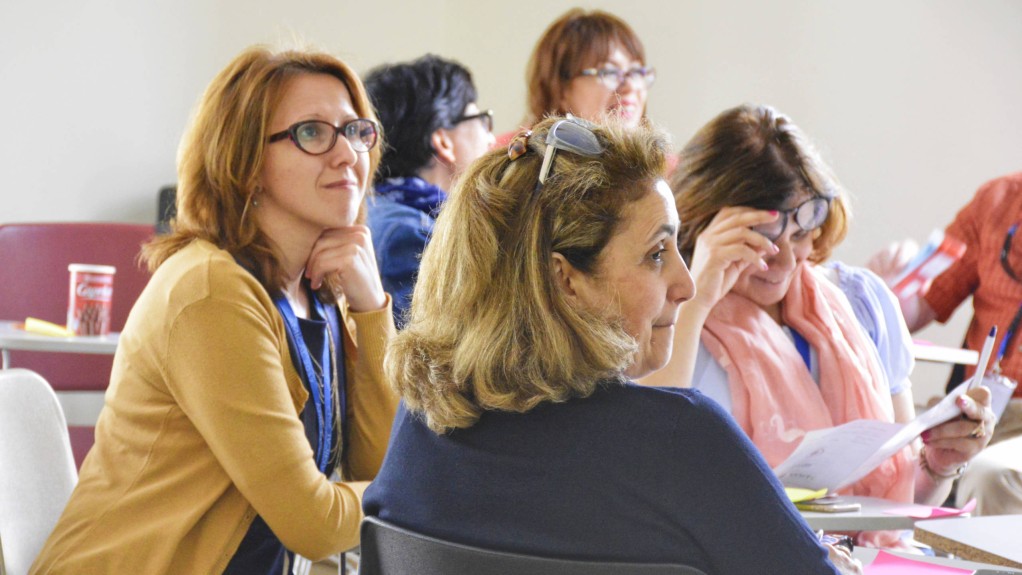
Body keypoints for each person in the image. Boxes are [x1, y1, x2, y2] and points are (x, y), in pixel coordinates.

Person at [363, 116, 860, 574]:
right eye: (656, 254)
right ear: (565, 279)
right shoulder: (682, 439)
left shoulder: (424, 424)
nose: (685, 285)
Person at [32, 46, 398, 573]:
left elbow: (375, 469)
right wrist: (427, 494)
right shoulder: (211, 292)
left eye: (356, 131)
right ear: (245, 162)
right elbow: (315, 523)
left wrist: (370, 307)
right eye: (313, 133)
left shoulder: (317, 289)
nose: (348, 155)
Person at [640, 104, 994, 549]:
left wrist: (939, 465)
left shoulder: (861, 302)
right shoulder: (665, 308)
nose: (786, 261)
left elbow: (895, 505)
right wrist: (700, 291)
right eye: (764, 240)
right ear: (706, 224)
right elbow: (648, 449)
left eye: (802, 235)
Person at [869, 172, 1022, 516]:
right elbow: (924, 302)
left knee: (991, 478)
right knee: (876, 451)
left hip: (1004, 445)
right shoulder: (999, 197)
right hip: (982, 410)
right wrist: (884, 293)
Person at [364, 54, 495, 327]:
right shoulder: (410, 236)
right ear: (443, 142)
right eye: (482, 120)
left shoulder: (381, 210)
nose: (491, 138)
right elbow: (443, 352)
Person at [494, 8, 655, 147]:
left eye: (636, 72)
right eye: (609, 72)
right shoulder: (511, 159)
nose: (630, 87)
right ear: (561, 89)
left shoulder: (668, 172)